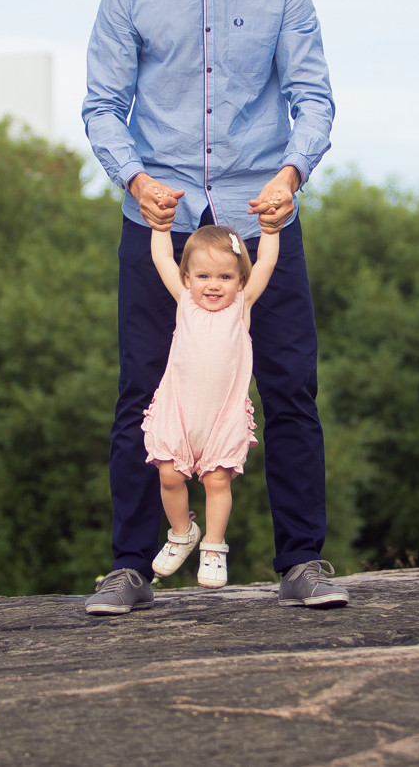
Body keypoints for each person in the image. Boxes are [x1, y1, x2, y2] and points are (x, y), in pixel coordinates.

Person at [82, 0, 345, 615]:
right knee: (141, 394)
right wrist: (133, 177)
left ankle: (301, 561)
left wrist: (291, 173)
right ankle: (131, 566)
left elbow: (314, 98)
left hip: (260, 220)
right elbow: (102, 107)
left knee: (290, 390)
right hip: (160, 227)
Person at [140, 224, 278, 591]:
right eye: (203, 276)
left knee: (217, 480)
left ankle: (213, 547)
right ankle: (183, 533)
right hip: (179, 410)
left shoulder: (240, 307)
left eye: (225, 276)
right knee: (169, 475)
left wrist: (271, 230)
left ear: (239, 281)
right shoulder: (185, 301)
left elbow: (265, 262)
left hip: (222, 415)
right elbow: (160, 257)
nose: (213, 284)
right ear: (187, 278)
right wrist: (160, 227)